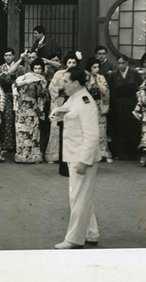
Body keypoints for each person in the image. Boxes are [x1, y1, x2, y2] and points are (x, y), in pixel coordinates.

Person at [50, 67, 101, 250]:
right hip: (74, 154)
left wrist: (84, 160)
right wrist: (58, 114)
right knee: (81, 196)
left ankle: (74, 239)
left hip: (82, 157)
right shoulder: (75, 98)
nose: (62, 85)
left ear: (76, 83)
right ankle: (90, 232)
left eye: (65, 81)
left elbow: (92, 135)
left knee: (78, 197)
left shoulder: (86, 102)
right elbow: (65, 110)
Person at [45, 51, 81, 163]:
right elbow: (51, 87)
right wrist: (60, 88)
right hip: (60, 101)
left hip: (74, 102)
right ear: (66, 63)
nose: (71, 64)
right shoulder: (59, 74)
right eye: (69, 62)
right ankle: (54, 155)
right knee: (56, 128)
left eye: (74, 62)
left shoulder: (79, 74)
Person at [12, 57, 48, 164]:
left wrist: (42, 87)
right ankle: (22, 155)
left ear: (42, 69)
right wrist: (28, 81)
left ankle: (34, 156)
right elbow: (15, 85)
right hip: (22, 107)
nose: (37, 71)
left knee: (34, 132)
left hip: (33, 107)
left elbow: (42, 96)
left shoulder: (42, 80)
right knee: (22, 131)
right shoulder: (25, 77)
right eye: (35, 68)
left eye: (39, 68)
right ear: (32, 69)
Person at [108, 54, 142, 160]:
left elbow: (140, 88)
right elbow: (111, 91)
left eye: (123, 63)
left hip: (132, 102)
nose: (121, 65)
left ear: (127, 63)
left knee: (133, 126)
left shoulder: (134, 73)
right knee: (120, 126)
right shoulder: (113, 75)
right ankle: (121, 152)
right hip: (119, 103)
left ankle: (133, 151)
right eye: (119, 63)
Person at [0, 47, 24, 153]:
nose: (8, 57)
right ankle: (7, 145)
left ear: (14, 56)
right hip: (6, 95)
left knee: (19, 119)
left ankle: (19, 144)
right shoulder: (0, 68)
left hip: (18, 95)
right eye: (6, 55)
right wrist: (2, 75)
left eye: (9, 55)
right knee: (7, 119)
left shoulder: (20, 68)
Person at [85, 57, 113, 163]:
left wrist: (97, 81)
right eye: (94, 67)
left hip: (99, 105)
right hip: (88, 105)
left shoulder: (101, 77)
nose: (97, 69)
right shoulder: (86, 77)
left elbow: (105, 91)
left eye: (98, 67)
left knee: (101, 130)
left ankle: (103, 153)